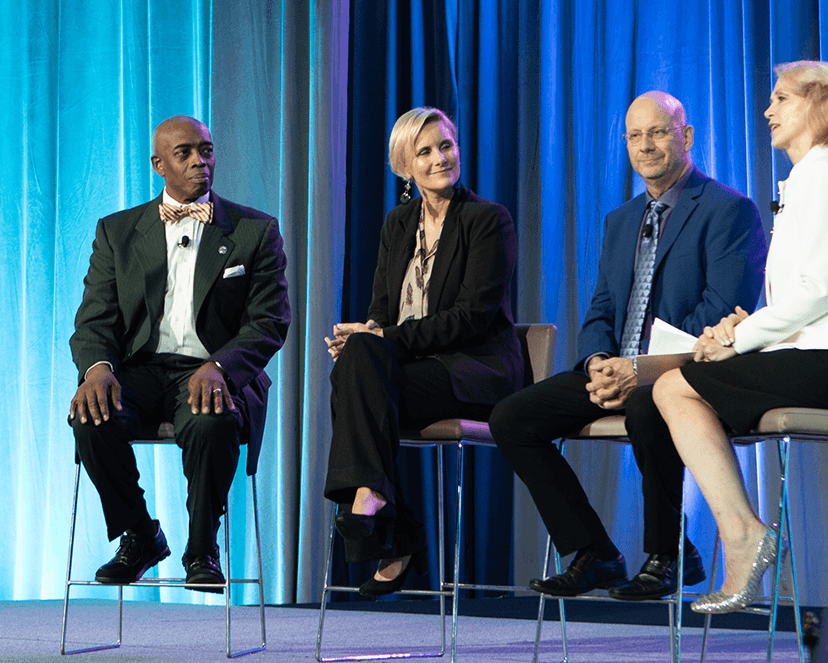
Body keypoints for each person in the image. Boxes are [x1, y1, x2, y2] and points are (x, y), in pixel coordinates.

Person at [490, 91, 766, 600]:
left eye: (659, 132)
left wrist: (638, 368)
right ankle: (594, 551)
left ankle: (669, 553)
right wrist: (599, 363)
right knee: (511, 418)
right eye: (635, 136)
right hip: (619, 366)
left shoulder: (730, 210)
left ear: (685, 137)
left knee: (648, 404)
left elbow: (723, 308)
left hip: (685, 370)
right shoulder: (620, 220)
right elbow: (601, 308)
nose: (647, 146)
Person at [650, 61, 828, 614]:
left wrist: (737, 343)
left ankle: (744, 535)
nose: (768, 110)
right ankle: (743, 534)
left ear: (819, 105)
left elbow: (816, 292)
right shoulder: (813, 175)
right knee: (676, 387)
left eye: (781, 98)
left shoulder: (821, 173)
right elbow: (806, 296)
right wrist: (741, 330)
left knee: (673, 388)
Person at [69, 116, 290, 592]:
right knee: (90, 416)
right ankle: (140, 534)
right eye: (185, 153)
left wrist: (221, 366)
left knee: (212, 420)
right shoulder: (118, 231)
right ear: (159, 165)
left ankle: (202, 550)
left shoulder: (255, 230)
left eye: (206, 151)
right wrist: (97, 369)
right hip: (141, 369)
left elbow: (269, 322)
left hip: (214, 370)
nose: (199, 162)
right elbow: (94, 319)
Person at [324, 107, 522, 596]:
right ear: (404, 165)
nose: (440, 159)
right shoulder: (398, 224)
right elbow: (383, 310)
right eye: (425, 151)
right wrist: (367, 333)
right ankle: (376, 497)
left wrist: (380, 341)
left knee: (359, 372)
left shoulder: (487, 220)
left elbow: (471, 318)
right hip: (410, 370)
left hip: (474, 370)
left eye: (446, 146)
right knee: (355, 360)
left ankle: (392, 523)